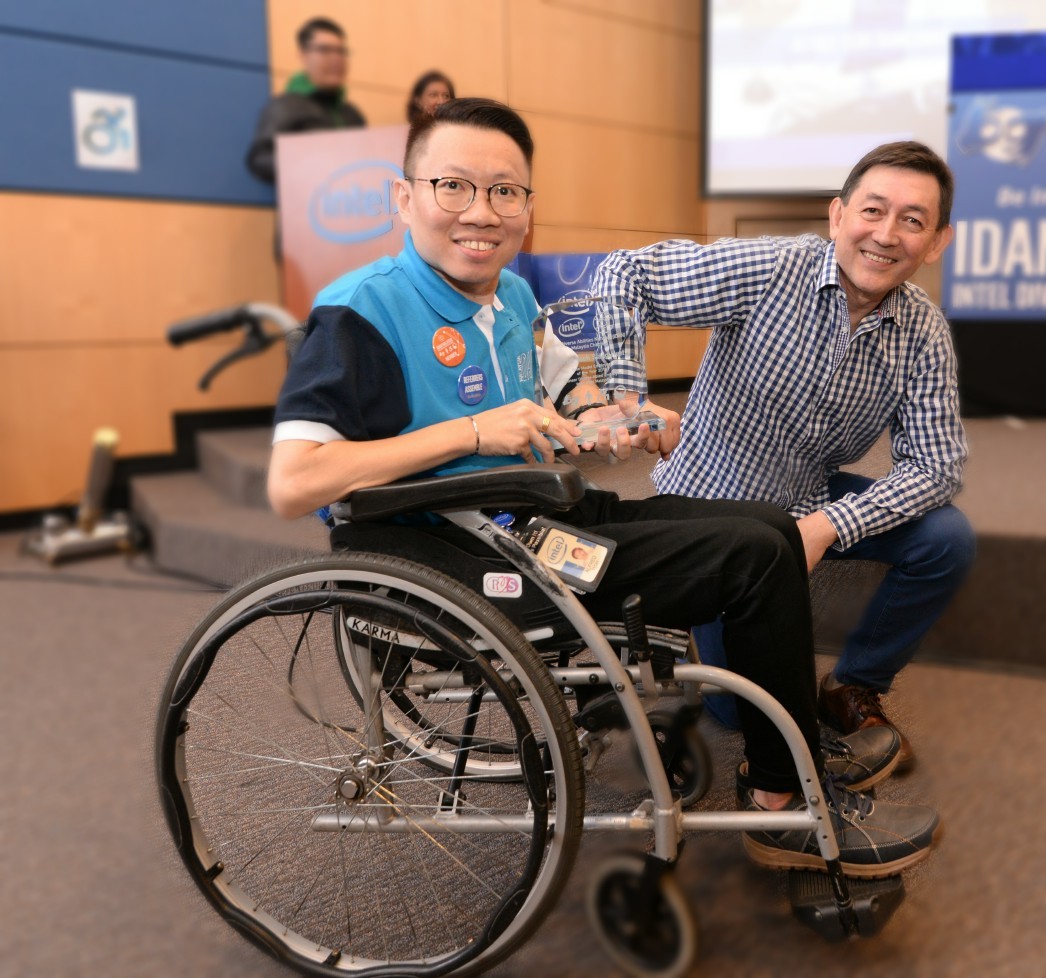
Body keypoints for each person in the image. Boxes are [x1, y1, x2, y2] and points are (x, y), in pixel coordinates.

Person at [266, 98, 939, 877]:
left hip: (541, 518)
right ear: (404, 196)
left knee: (770, 528)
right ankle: (784, 802)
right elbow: (294, 482)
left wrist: (613, 414)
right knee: (754, 559)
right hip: (451, 550)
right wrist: (473, 434)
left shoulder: (511, 296)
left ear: (526, 207)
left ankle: (780, 764)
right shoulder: (361, 310)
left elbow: (566, 393)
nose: (480, 212)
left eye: (504, 192)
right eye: (453, 186)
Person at [592, 140, 976, 770]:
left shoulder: (923, 330)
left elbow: (936, 465)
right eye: (872, 211)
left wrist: (828, 526)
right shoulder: (773, 269)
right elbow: (622, 274)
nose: (886, 234)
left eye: (912, 220)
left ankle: (855, 683)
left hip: (806, 502)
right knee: (738, 713)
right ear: (837, 217)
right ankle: (693, 620)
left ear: (936, 242)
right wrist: (630, 398)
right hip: (711, 508)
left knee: (945, 539)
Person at [245, 17, 367, 185]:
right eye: (325, 50)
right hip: (306, 205)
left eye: (341, 51)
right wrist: (307, 164)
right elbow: (259, 159)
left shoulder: (352, 114)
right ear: (303, 55)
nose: (336, 58)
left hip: (353, 203)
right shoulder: (285, 106)